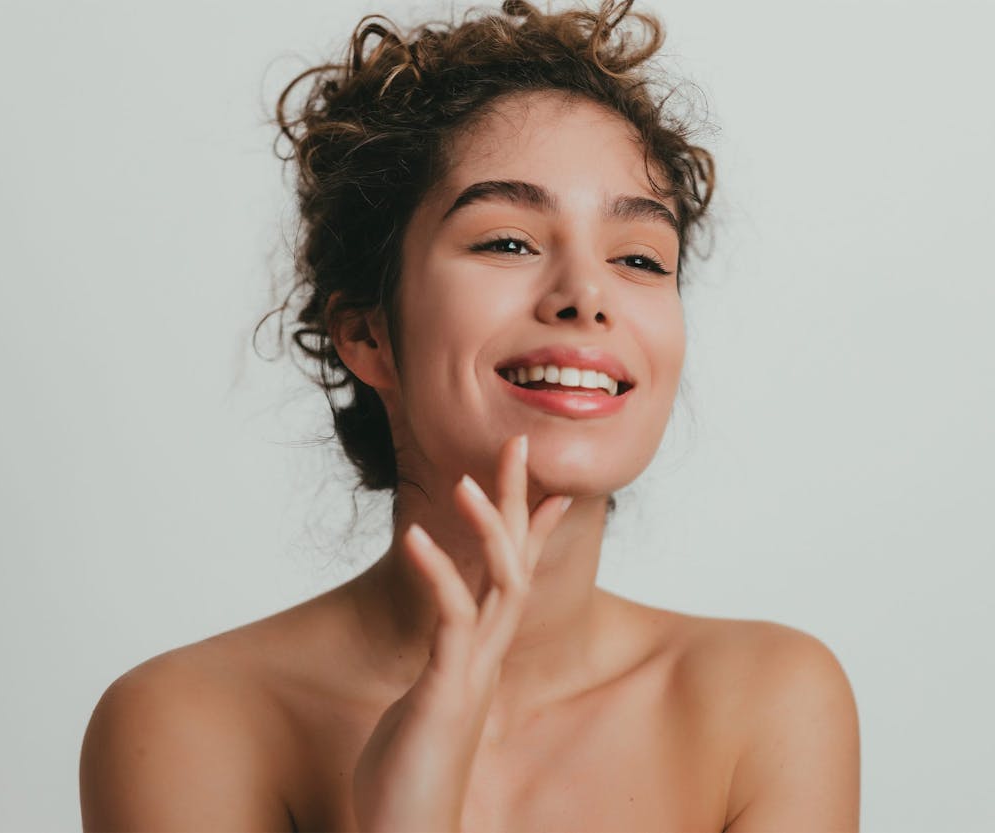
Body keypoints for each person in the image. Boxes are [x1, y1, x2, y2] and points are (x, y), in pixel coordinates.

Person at [79, 1, 861, 830]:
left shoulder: (769, 706)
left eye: (638, 257)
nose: (587, 295)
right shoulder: (185, 722)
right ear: (368, 334)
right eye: (508, 242)